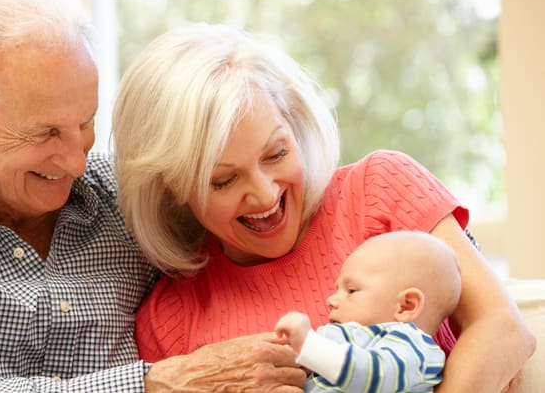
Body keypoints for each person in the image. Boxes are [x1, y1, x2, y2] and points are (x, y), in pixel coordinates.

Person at [0, 0, 307, 391]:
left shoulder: (119, 194)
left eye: (86, 123)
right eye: (46, 133)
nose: (77, 161)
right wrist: (157, 383)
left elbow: (255, 225)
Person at [112, 22, 535, 392]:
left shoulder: (379, 191)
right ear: (172, 189)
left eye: (276, 153)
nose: (264, 194)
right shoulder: (169, 318)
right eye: (224, 179)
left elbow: (504, 329)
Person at [275, 230, 462, 392]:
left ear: (406, 306)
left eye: (351, 291)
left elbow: (370, 373)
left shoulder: (415, 349)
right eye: (337, 289)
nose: (330, 300)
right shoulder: (343, 337)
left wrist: (309, 345)